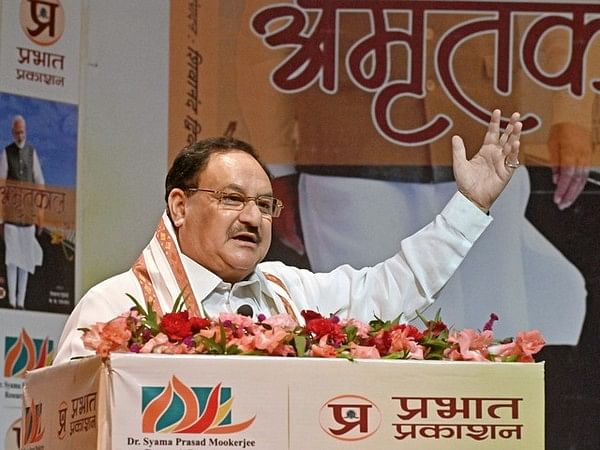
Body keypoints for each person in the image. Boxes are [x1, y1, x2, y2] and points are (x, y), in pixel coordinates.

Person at [54, 109, 521, 363]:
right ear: (180, 205)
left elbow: (393, 287)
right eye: (233, 199)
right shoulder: (113, 307)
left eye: (264, 204)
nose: (253, 219)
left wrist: (470, 206)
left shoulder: (291, 294)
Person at [0, 115, 45, 310]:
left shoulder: (31, 152)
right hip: (10, 217)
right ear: (12, 132)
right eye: (16, 132)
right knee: (12, 259)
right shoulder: (6, 152)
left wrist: (40, 215)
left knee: (25, 259)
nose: (20, 135)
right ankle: (11, 301)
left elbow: (40, 182)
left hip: (27, 217)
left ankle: (21, 302)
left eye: (22, 132)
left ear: (25, 131)